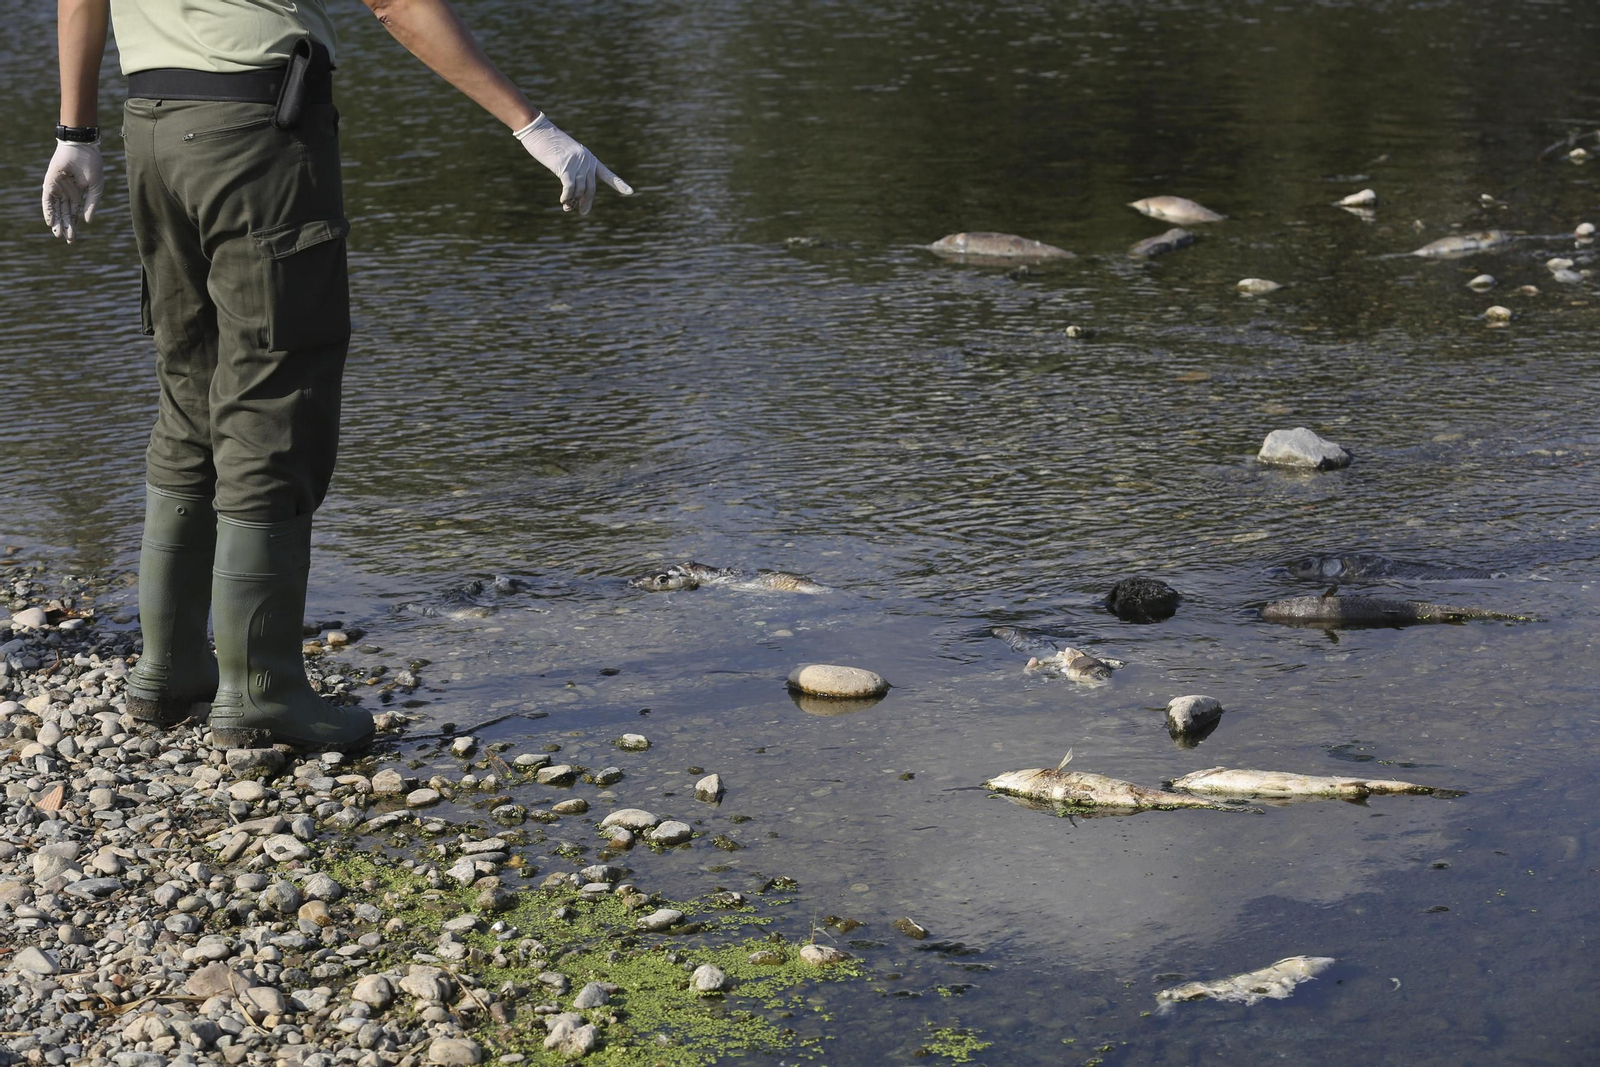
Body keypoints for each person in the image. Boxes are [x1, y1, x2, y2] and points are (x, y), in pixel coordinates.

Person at [42, 0, 631, 751]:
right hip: (255, 138)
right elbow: (395, 5)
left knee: (188, 387)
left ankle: (170, 668)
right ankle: (262, 692)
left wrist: (76, 132)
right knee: (275, 393)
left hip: (152, 132)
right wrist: (532, 125)